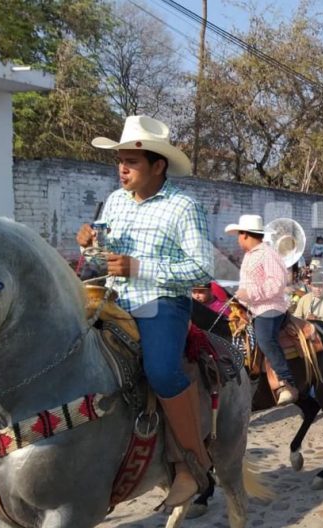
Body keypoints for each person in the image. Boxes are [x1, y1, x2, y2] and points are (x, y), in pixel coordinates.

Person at [76, 115, 214, 506]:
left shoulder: (183, 207)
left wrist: (140, 268)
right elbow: (105, 260)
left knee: (162, 371)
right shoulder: (115, 201)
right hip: (113, 298)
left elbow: (203, 268)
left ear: (158, 165)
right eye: (120, 160)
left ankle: (192, 463)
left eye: (131, 162)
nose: (122, 168)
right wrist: (89, 246)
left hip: (162, 303)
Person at [227, 214, 298, 405]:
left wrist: (249, 293)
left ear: (245, 235)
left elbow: (276, 284)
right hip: (254, 308)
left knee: (265, 338)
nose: (238, 239)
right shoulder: (251, 255)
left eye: (239, 234)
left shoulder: (268, 254)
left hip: (270, 308)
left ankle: (286, 382)